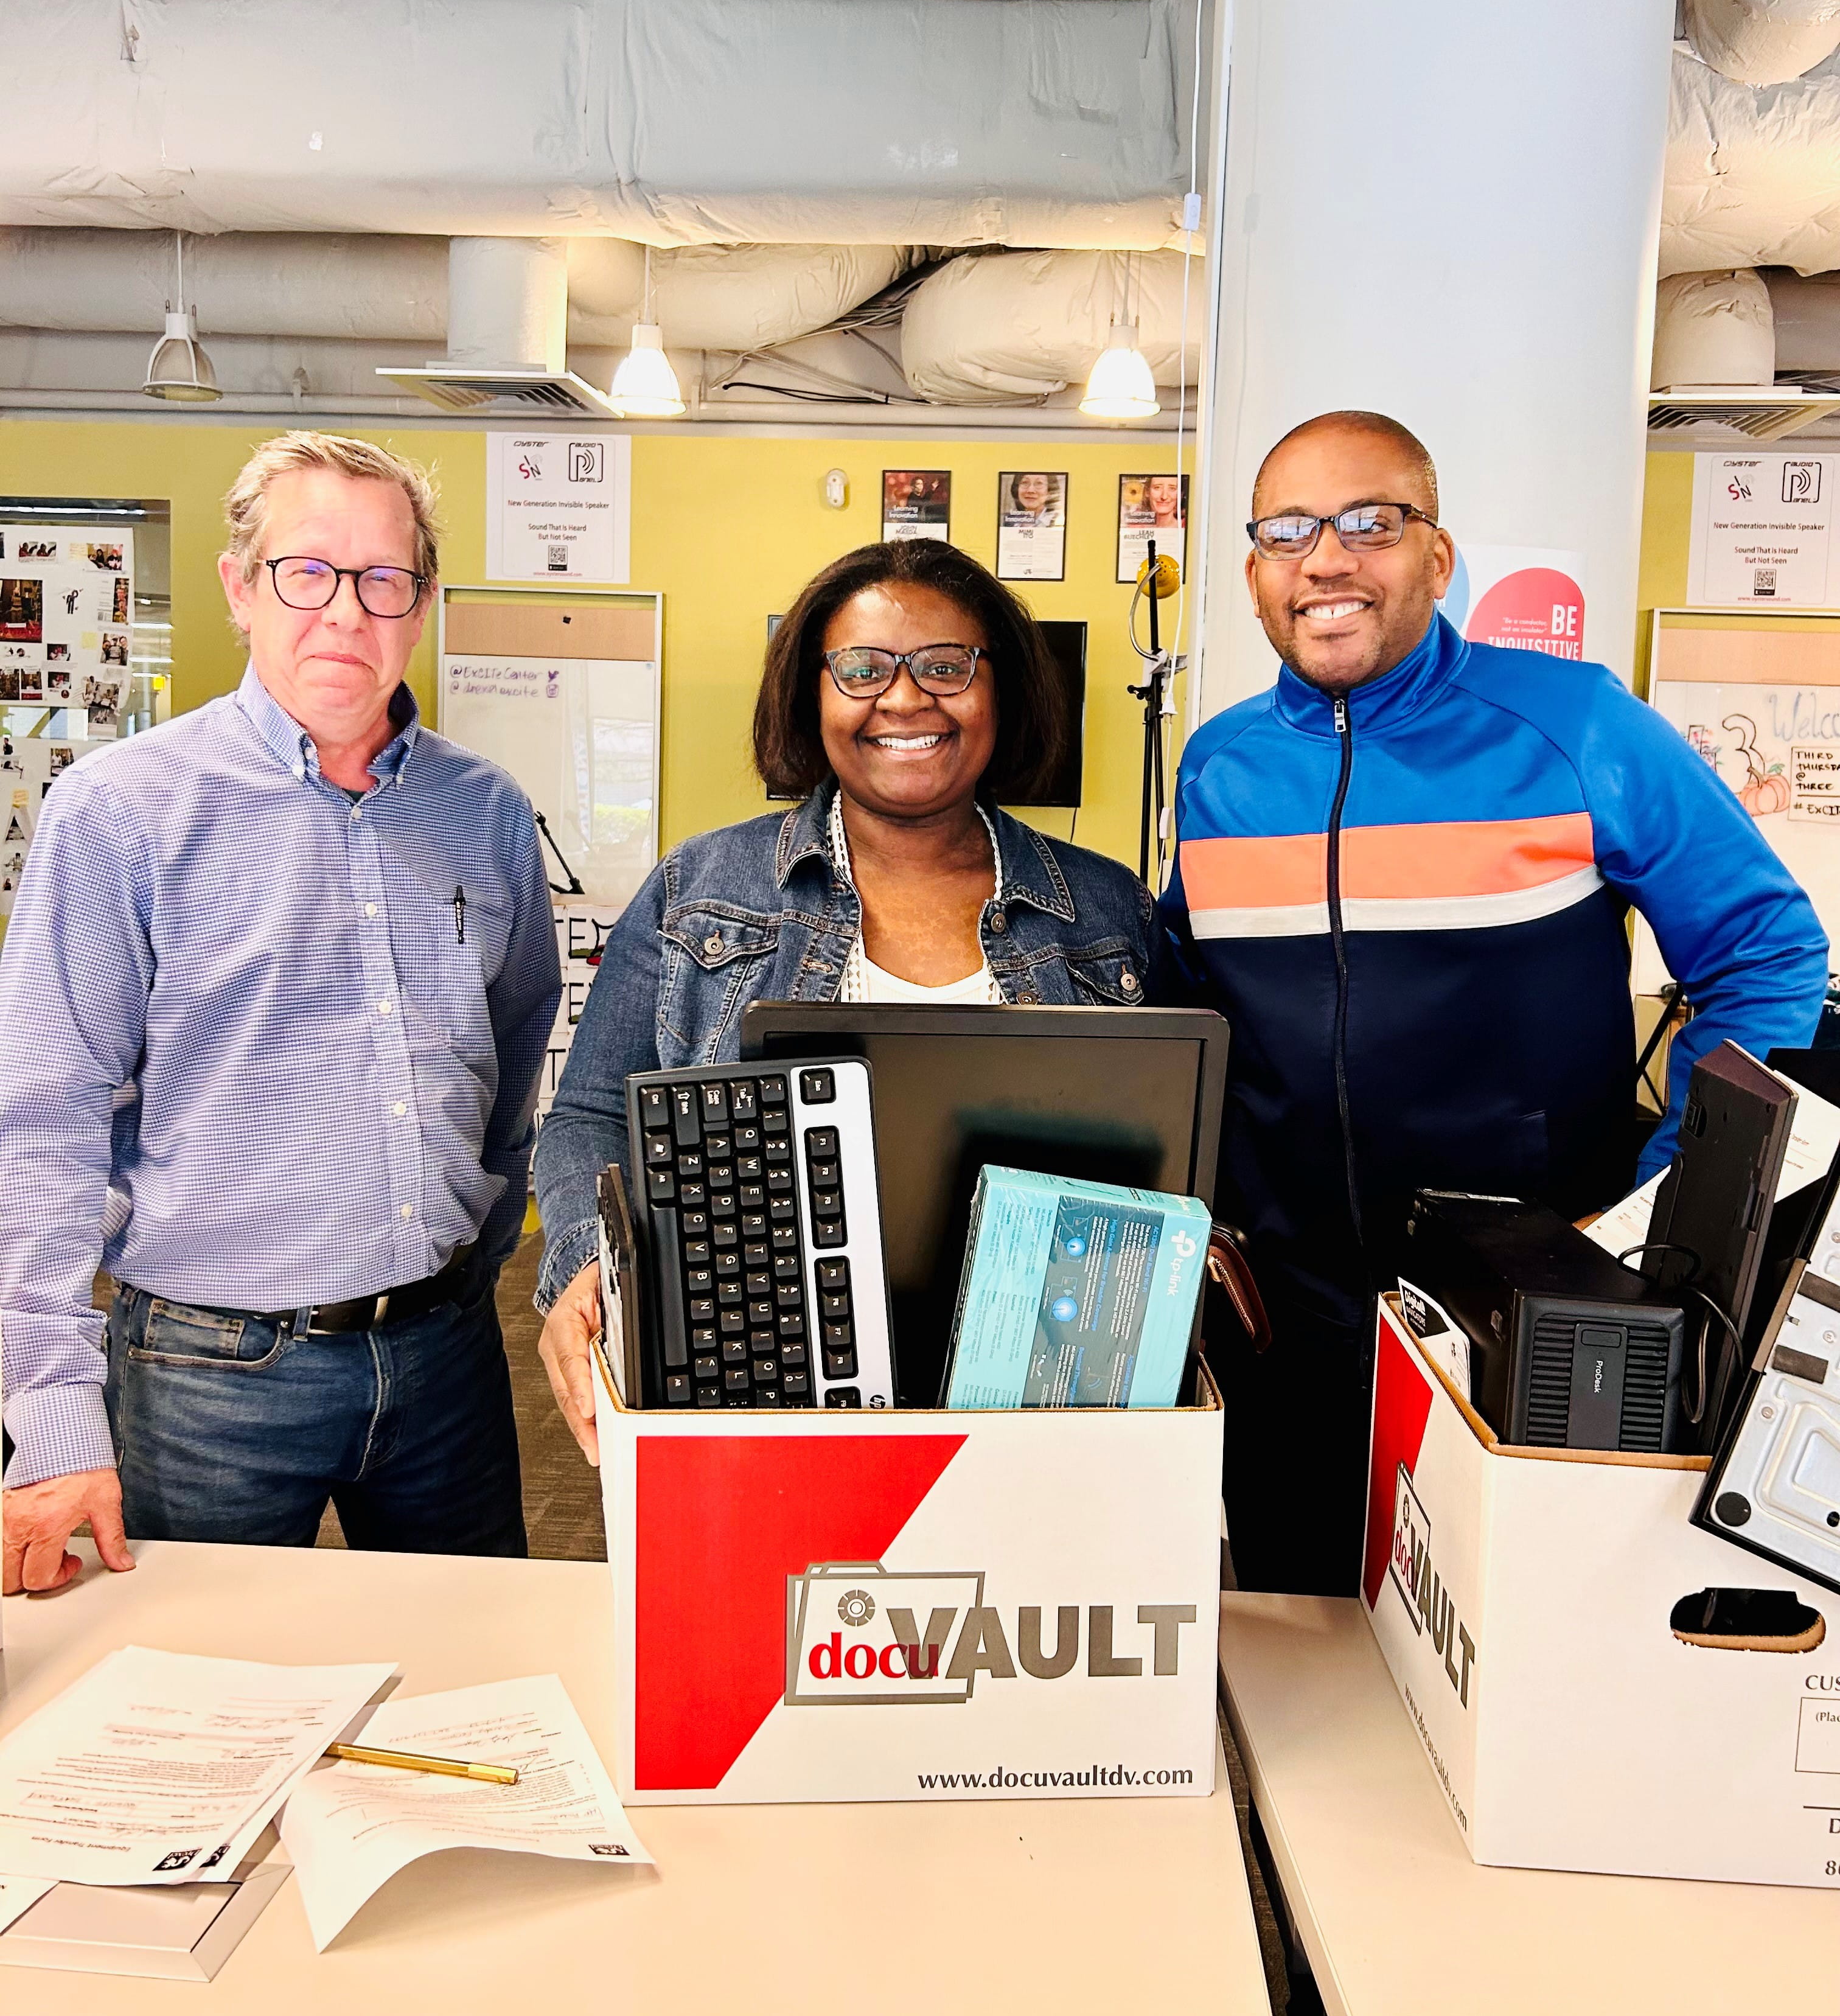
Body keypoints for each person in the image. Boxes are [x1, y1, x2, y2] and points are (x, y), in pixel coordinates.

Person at [1159, 408, 1829, 1597]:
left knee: (1509, 1675)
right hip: (1291, 1327)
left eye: (1371, 522)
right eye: (1288, 531)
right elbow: (1184, 1005)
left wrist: (1674, 1203)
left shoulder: (1577, 727)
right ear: (1257, 570)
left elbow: (1765, 951)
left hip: (1528, 1313)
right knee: (1300, 1664)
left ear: (1436, 554)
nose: (1327, 559)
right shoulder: (1219, 767)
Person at [0, 431, 561, 1596]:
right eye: (307, 572)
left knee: (473, 1688)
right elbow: (40, 1124)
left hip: (445, 1353)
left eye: (383, 580)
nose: (345, 615)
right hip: (208, 1375)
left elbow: (512, 1069)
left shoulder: (487, 816)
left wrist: (478, 1253)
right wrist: (49, 1419)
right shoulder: (122, 811)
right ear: (241, 588)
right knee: (190, 1716)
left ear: (422, 602)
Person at [534, 535, 1154, 1456]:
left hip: (1047, 1398)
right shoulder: (701, 887)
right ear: (811, 694)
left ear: (1004, 690)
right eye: (862, 668)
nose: (904, 698)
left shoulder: (1104, 907)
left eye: (947, 667)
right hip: (750, 1389)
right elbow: (587, 1115)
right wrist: (592, 1259)